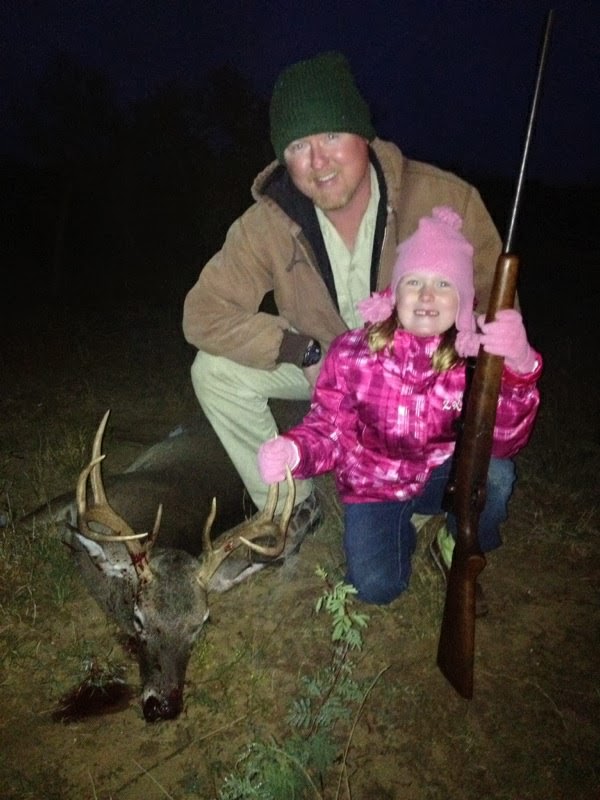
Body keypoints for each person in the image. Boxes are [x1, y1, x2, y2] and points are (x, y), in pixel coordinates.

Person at [182, 50, 503, 548]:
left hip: (423, 383)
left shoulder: (445, 199)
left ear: (363, 134)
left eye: (331, 135)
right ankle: (292, 506)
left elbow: (497, 316)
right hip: (329, 371)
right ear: (283, 159)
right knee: (212, 371)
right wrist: (302, 350)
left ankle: (429, 502)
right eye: (298, 146)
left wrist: (434, 376)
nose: (317, 161)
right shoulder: (266, 223)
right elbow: (201, 314)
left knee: (487, 471)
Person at [257, 206, 541, 613]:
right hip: (375, 485)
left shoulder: (475, 357)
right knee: (376, 588)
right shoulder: (353, 353)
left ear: (463, 302)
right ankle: (398, 531)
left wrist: (519, 368)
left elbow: (505, 441)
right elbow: (330, 428)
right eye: (414, 281)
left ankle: (454, 541)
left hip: (442, 477)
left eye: (443, 283)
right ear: (394, 293)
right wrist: (295, 451)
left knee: (496, 474)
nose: (426, 295)